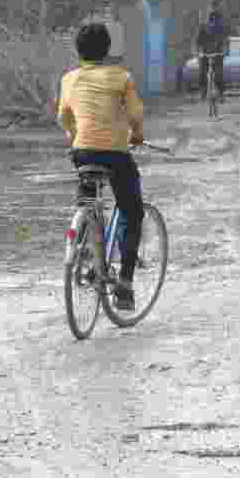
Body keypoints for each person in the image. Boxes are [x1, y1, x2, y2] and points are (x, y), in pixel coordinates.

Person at [57, 22, 145, 311]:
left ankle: (85, 249)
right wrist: (137, 134)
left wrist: (74, 138)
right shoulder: (121, 77)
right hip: (116, 154)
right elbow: (135, 113)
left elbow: (64, 118)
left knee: (89, 198)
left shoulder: (69, 79)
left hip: (82, 152)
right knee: (132, 211)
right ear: (108, 50)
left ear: (77, 50)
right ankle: (125, 286)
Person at [194, 0, 229, 101]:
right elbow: (198, 41)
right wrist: (198, 52)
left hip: (218, 53)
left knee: (219, 73)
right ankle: (203, 92)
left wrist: (224, 50)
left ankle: (221, 94)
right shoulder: (204, 27)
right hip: (206, 53)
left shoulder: (221, 26)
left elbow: (225, 39)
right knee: (202, 73)